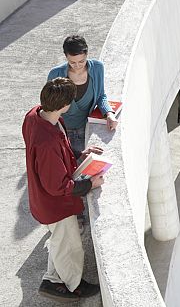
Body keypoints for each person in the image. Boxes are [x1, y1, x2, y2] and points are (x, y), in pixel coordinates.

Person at [23, 78, 103, 302]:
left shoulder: (35, 115)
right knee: (70, 246)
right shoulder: (47, 142)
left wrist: (79, 154)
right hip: (56, 206)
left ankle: (52, 280)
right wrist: (90, 184)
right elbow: (58, 186)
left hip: (43, 199)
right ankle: (73, 285)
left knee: (60, 241)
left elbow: (59, 153)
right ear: (65, 105)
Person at [47, 35, 117, 151]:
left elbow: (100, 96)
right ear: (66, 56)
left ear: (87, 54)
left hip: (86, 128)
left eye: (81, 61)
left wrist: (109, 113)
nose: (77, 66)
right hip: (61, 131)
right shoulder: (55, 74)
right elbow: (49, 106)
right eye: (72, 62)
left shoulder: (97, 68)